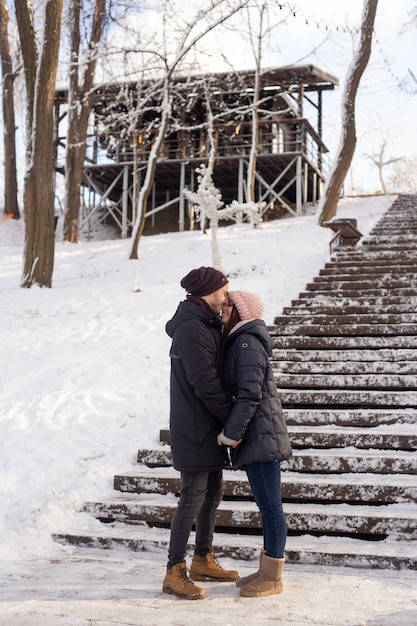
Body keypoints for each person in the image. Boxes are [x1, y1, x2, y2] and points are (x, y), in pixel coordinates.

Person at [162, 266, 239, 600]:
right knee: (193, 494)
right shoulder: (192, 327)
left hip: (206, 424)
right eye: (223, 290)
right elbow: (204, 381)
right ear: (209, 292)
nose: (227, 296)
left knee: (213, 491)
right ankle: (174, 571)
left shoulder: (205, 323)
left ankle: (203, 558)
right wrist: (232, 419)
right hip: (194, 425)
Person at [218, 290, 292, 598]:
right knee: (268, 505)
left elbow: (250, 394)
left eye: (228, 304)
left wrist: (231, 433)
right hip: (260, 432)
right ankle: (266, 570)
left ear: (241, 310)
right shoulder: (242, 340)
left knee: (271, 507)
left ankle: (273, 576)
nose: (222, 308)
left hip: (260, 434)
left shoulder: (247, 342)